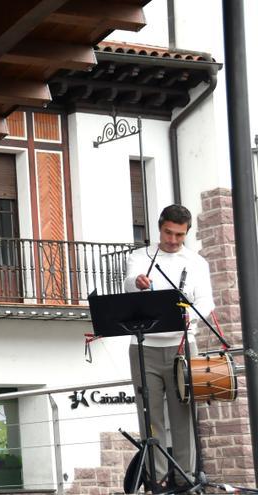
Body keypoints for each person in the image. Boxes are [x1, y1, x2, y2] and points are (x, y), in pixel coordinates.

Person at [124, 204, 214, 488]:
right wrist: (136, 282)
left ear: (186, 233)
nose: (173, 240)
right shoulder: (141, 256)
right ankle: (158, 478)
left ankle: (185, 478)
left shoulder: (197, 262)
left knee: (183, 414)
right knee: (149, 415)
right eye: (168, 233)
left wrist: (190, 320)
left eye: (179, 235)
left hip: (183, 346)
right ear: (159, 227)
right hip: (144, 347)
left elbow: (206, 301)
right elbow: (129, 284)